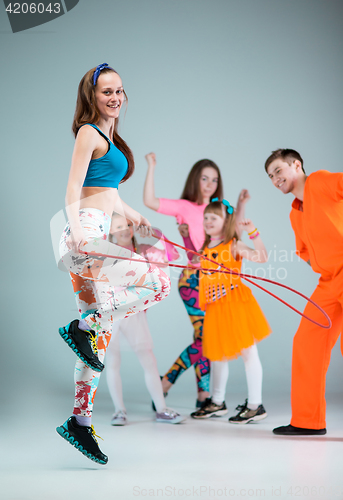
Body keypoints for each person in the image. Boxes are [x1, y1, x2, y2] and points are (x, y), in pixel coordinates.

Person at [56, 64, 171, 464]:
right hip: (86, 235)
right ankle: (82, 325)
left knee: (95, 344)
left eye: (120, 90)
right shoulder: (89, 132)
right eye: (107, 91)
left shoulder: (108, 137)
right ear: (92, 96)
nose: (115, 97)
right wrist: (80, 236)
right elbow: (73, 186)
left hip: (91, 234)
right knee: (159, 283)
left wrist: (134, 214)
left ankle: (80, 422)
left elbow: (104, 190)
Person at [143, 153, 249, 408]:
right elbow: (150, 201)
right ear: (195, 180)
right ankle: (166, 383)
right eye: (204, 178)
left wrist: (240, 205)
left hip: (215, 282)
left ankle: (203, 395)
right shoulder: (184, 207)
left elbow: (234, 234)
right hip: (192, 281)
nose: (210, 184)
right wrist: (152, 167)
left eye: (214, 179)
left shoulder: (219, 209)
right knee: (205, 339)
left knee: (203, 337)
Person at [265, 149, 343, 436]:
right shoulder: (295, 212)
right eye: (271, 176)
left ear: (296, 164)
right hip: (328, 282)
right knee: (307, 342)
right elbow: (305, 253)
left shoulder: (320, 181)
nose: (275, 179)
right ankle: (307, 421)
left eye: (278, 171)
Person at [189, 199, 271, 422]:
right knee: (218, 355)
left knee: (248, 352)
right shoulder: (205, 249)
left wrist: (253, 232)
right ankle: (217, 402)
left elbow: (262, 258)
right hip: (215, 308)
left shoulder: (234, 245)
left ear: (226, 222)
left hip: (235, 305)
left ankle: (255, 405)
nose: (207, 221)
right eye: (206, 217)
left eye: (213, 218)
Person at [105, 214, 185, 425]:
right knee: (112, 361)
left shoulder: (145, 251)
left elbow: (173, 254)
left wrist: (157, 234)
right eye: (119, 226)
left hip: (134, 314)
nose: (125, 229)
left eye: (128, 225)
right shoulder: (104, 254)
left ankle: (162, 409)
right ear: (111, 230)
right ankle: (119, 411)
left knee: (149, 360)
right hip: (110, 314)